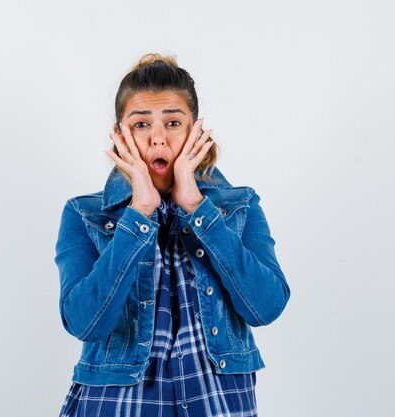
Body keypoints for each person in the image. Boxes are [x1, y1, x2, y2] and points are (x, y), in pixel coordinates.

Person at [54, 53, 290, 417]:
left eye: (173, 122)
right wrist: (139, 214)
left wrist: (197, 208)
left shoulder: (240, 206)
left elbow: (266, 307)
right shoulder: (84, 214)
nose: (158, 139)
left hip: (217, 403)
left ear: (196, 131)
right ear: (120, 135)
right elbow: (86, 322)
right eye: (141, 124)